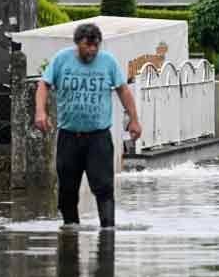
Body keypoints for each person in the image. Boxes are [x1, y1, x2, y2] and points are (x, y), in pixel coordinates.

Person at [34, 22, 142, 228]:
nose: (92, 50)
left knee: (103, 187)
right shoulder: (61, 59)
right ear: (77, 44)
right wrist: (40, 111)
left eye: (96, 46)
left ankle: (108, 231)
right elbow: (43, 84)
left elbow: (123, 90)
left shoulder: (108, 62)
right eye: (87, 45)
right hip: (69, 136)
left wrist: (134, 119)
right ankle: (70, 232)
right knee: (67, 189)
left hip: (98, 138)